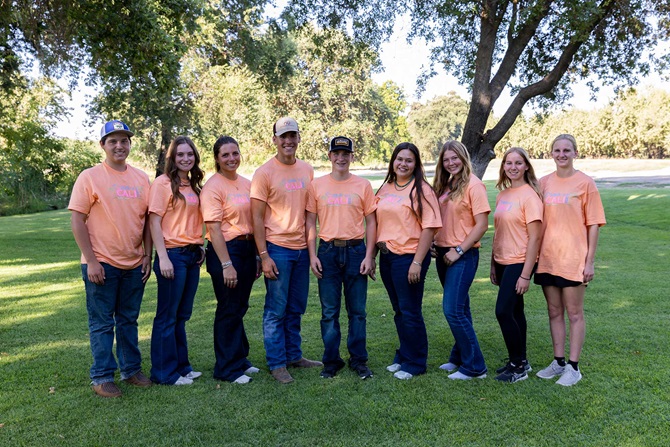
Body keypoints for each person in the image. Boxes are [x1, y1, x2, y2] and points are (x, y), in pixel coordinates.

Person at [69, 120, 153, 398]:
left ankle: (131, 370)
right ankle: (102, 376)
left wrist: (147, 255)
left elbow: (147, 222)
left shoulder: (142, 178)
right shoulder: (90, 176)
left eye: (124, 140)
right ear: (102, 145)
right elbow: (77, 220)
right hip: (101, 263)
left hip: (133, 263)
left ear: (130, 144)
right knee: (102, 323)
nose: (119, 145)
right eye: (113, 140)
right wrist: (91, 261)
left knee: (129, 320)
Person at [251, 117, 321, 384]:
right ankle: (277, 363)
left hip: (302, 250)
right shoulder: (264, 173)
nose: (288, 141)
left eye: (293, 135)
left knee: (296, 308)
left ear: (299, 138)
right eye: (283, 136)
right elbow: (256, 218)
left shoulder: (307, 170)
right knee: (276, 309)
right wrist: (264, 255)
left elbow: (310, 214)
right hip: (277, 249)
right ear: (275, 140)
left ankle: (294, 356)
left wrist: (312, 249)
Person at [534, 134, 606, 386]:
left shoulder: (585, 183)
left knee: (574, 313)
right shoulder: (543, 183)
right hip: (548, 258)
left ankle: (574, 368)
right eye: (557, 150)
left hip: (574, 259)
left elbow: (594, 224)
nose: (562, 154)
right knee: (554, 311)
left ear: (575, 152)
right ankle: (559, 361)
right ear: (551, 154)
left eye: (567, 150)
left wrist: (590, 260)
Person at [306, 136, 377, 380]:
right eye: (336, 153)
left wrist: (370, 255)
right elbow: (310, 222)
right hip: (327, 252)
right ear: (330, 156)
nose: (341, 157)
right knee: (329, 311)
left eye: (345, 153)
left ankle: (358, 360)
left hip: (357, 251)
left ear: (352, 156)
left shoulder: (363, 185)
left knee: (357, 311)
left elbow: (371, 221)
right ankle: (331, 361)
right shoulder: (317, 185)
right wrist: (312, 254)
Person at [376, 142, 441, 380]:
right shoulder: (386, 188)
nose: (403, 164)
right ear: (393, 161)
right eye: (399, 159)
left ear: (416, 164)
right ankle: (404, 355)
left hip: (410, 258)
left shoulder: (422, 189)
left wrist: (417, 262)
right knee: (399, 310)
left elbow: (429, 228)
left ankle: (415, 363)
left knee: (410, 310)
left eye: (409, 160)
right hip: (388, 257)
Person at [201, 136, 261, 384]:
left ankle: (240, 359)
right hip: (225, 250)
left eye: (235, 153)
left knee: (240, 306)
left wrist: (258, 254)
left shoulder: (247, 184)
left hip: (247, 249)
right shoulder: (213, 187)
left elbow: (256, 221)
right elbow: (214, 229)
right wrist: (227, 265)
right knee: (228, 308)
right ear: (217, 158)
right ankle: (226, 368)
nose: (231, 158)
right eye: (225, 155)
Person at [148, 136, 205, 386]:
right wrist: (162, 257)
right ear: (173, 158)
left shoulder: (192, 185)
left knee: (182, 315)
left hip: (191, 255)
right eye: (180, 154)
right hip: (172, 255)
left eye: (189, 154)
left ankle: (182, 366)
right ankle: (164, 373)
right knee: (167, 316)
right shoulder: (162, 184)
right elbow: (154, 221)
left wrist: (199, 245)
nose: (185, 158)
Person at [433, 140, 490, 380]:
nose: (451, 163)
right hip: (443, 254)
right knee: (461, 309)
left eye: (455, 158)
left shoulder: (473, 185)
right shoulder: (446, 184)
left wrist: (458, 250)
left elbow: (482, 225)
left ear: (463, 157)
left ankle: (475, 367)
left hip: (462, 254)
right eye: (446, 159)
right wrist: (435, 242)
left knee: (452, 310)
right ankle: (459, 356)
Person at [490, 147, 543, 383]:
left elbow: (535, 237)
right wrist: (493, 263)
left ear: (526, 167)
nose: (513, 167)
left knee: (502, 311)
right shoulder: (502, 195)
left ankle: (517, 365)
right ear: (503, 167)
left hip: (519, 261)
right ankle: (522, 360)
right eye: (508, 163)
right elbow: (499, 231)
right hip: (502, 260)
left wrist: (524, 274)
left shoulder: (530, 196)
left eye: (518, 163)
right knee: (515, 310)